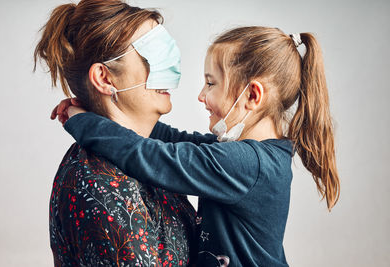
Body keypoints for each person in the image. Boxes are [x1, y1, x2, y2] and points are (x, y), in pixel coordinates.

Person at [55, 25, 340, 266]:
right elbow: (171, 139)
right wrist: (100, 112)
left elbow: (152, 157)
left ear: (253, 95)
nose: (201, 96)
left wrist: (81, 122)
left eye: (211, 83)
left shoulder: (246, 164)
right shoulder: (246, 155)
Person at [35, 0, 209, 265]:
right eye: (151, 54)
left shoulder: (150, 154)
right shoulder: (99, 185)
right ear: (105, 78)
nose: (168, 64)